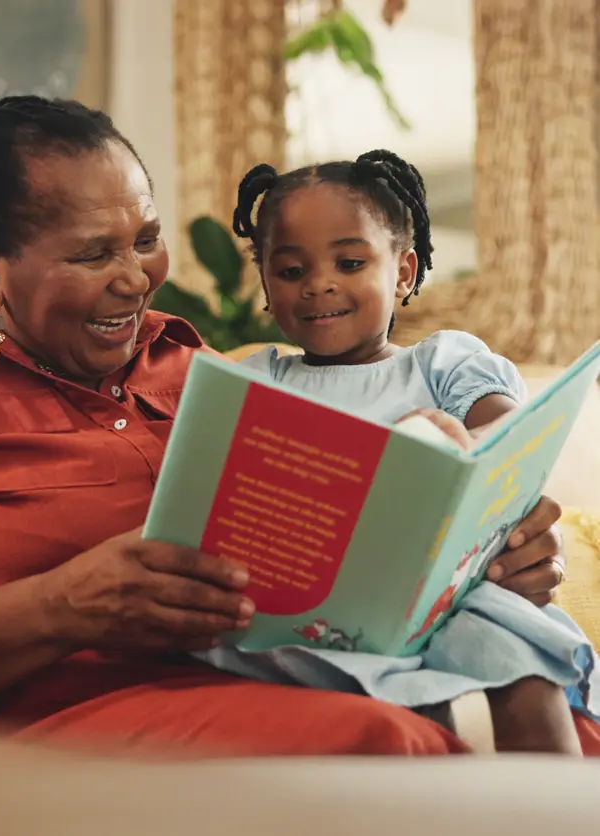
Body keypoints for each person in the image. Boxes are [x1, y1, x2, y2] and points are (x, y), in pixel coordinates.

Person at [0, 96, 597, 757]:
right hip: (60, 721)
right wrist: (60, 608)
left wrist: (489, 547)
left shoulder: (197, 364)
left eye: (148, 240)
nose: (137, 280)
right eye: (94, 255)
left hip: (282, 679)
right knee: (391, 745)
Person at [191, 150, 598, 754]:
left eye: (350, 262)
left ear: (403, 272)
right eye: (290, 271)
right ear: (268, 288)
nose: (319, 283)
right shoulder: (257, 379)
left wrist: (442, 442)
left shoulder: (442, 363)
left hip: (451, 598)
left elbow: (509, 444)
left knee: (526, 675)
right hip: (313, 607)